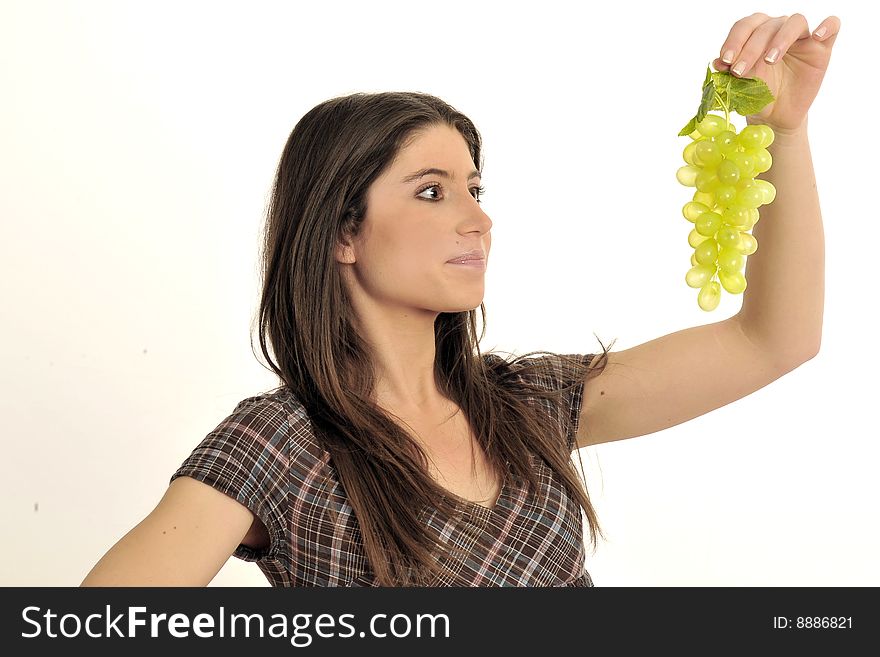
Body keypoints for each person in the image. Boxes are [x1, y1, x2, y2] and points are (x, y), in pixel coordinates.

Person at [81, 12, 838, 587]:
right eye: (432, 191)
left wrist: (784, 130)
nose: (476, 216)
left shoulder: (531, 403)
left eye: (475, 188)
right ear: (343, 230)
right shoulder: (279, 446)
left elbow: (775, 339)